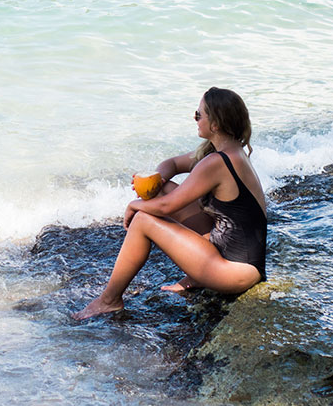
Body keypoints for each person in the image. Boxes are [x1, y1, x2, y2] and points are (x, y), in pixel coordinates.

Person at [73, 87, 268, 320]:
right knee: (162, 190)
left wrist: (135, 205)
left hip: (235, 271)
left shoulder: (218, 162)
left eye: (198, 114)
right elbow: (172, 164)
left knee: (144, 221)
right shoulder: (228, 151)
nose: (194, 119)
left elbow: (167, 207)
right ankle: (197, 277)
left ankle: (110, 300)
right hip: (227, 251)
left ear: (214, 124)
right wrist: (156, 181)